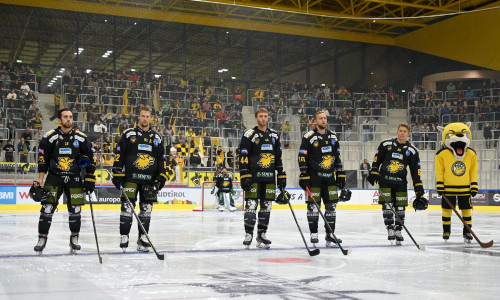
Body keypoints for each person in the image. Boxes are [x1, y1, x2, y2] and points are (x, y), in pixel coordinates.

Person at [32, 108, 96, 255]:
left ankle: (74, 238)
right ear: (60, 120)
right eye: (65, 117)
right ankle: (42, 239)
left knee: (76, 211)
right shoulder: (50, 137)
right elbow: (43, 159)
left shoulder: (81, 138)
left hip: (74, 178)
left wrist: (90, 177)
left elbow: (90, 159)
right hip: (54, 177)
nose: (68, 119)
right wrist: (41, 178)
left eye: (70, 117)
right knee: (47, 209)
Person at [112, 106, 168, 252]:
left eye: (147, 116)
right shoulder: (128, 134)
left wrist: (160, 178)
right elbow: (119, 155)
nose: (145, 119)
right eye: (143, 116)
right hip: (130, 178)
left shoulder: (157, 137)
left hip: (149, 181)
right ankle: (124, 236)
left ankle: (143, 238)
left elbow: (161, 160)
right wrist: (117, 173)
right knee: (126, 209)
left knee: (146, 210)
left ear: (151, 118)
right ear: (138, 117)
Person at [367, 123, 424, 245]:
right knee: (387, 207)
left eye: (405, 131)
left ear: (408, 134)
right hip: (385, 181)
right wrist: (374, 171)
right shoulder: (386, 144)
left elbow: (415, 171)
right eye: (400, 131)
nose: (402, 133)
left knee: (400, 208)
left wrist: (418, 186)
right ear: (397, 132)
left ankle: (398, 230)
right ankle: (390, 229)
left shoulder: (412, 151)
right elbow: (377, 159)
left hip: (401, 183)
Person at [239, 108, 286, 249]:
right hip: (253, 177)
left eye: (265, 116)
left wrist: (281, 175)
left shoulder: (275, 136)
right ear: (256, 118)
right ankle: (248, 234)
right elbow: (243, 156)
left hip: (270, 178)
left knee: (266, 208)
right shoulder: (249, 134)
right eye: (261, 116)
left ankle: (262, 234)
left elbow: (278, 157)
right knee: (251, 206)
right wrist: (244, 175)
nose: (263, 119)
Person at [298, 111, 346, 247]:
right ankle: (314, 234)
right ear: (315, 120)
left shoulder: (333, 137)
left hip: (330, 178)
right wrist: (304, 174)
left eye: (325, 118)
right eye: (320, 118)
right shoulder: (309, 136)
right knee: (313, 207)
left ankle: (330, 234)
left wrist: (340, 173)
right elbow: (302, 156)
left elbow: (337, 156)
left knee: (331, 207)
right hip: (314, 178)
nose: (323, 120)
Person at [435, 122, 477, 242]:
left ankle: (467, 232)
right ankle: (446, 230)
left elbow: (473, 171)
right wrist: (440, 185)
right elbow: (440, 172)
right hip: (448, 188)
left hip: (465, 189)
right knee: (447, 210)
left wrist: (474, 185)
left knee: (467, 210)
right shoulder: (441, 154)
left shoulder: (471, 154)